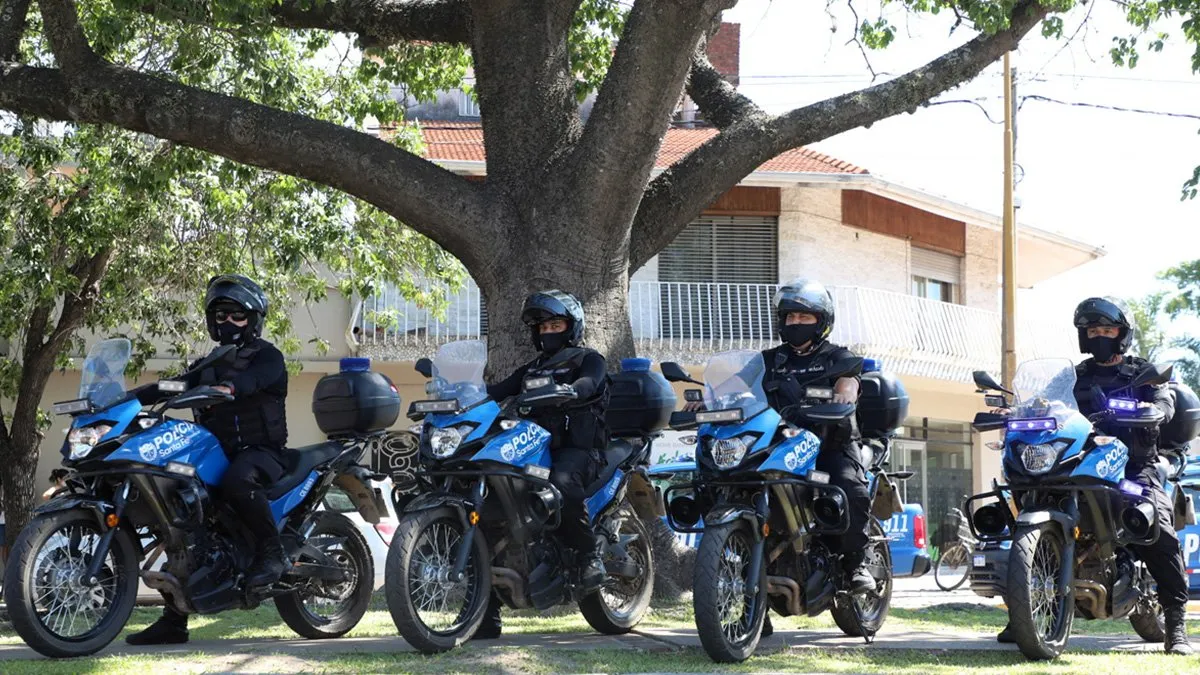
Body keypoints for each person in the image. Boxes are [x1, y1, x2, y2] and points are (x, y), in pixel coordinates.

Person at [995, 297, 1192, 655]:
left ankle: (1176, 624)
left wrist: (1154, 408)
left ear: (1122, 334)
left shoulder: (1141, 372)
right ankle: (1024, 614)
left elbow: (1165, 401)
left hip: (1132, 466)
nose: (1100, 336)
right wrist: (1018, 409)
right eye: (1093, 331)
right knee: (1024, 499)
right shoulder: (1076, 375)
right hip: (1082, 461)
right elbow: (1044, 400)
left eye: (1107, 330)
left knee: (1157, 525)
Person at [127, 274, 289, 646]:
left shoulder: (267, 356)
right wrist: (132, 396)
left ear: (254, 320)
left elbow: (254, 380)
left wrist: (228, 388)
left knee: (237, 482)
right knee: (184, 520)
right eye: (220, 316)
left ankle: (272, 551)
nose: (227, 323)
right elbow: (176, 385)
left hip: (262, 456)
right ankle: (174, 621)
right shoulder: (207, 365)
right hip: (215, 455)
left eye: (237, 316)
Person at [473, 289, 610, 639]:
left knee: (563, 485)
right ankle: (485, 613)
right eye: (543, 326)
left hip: (577, 449)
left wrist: (574, 390)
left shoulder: (588, 359)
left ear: (571, 326)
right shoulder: (532, 368)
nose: (548, 331)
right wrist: (460, 396)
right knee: (490, 512)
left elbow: (590, 383)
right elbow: (497, 391)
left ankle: (588, 555)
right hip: (535, 445)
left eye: (555, 324)